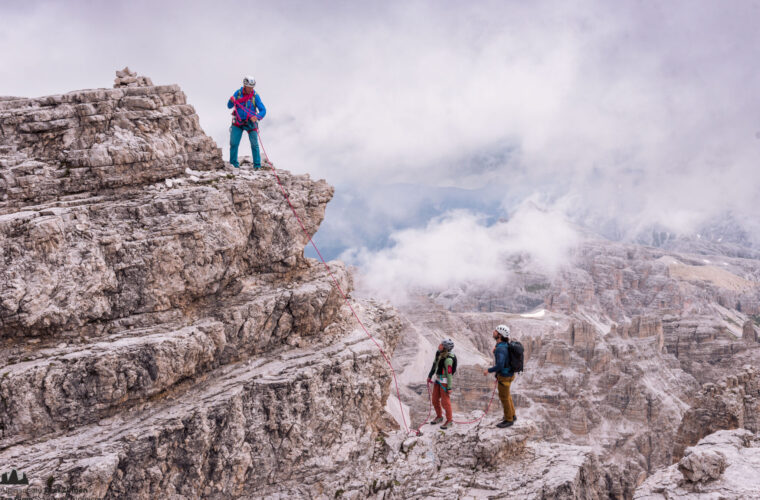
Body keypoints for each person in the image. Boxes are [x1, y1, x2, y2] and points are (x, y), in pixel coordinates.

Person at [227, 75, 266, 169]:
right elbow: (229, 106)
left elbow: (263, 110)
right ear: (245, 85)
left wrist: (257, 117)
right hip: (238, 122)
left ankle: (257, 166)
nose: (250, 89)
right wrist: (231, 100)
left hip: (251, 123)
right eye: (249, 87)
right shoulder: (238, 93)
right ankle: (233, 164)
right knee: (233, 143)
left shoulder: (255, 96)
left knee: (254, 144)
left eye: (252, 87)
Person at [483, 324, 516, 428]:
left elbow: (500, 365)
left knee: (504, 397)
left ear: (500, 335)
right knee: (508, 396)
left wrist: (489, 370)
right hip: (509, 374)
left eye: (496, 331)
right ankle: (512, 415)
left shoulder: (500, 349)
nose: (494, 332)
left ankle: (509, 419)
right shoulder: (503, 345)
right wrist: (496, 349)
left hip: (504, 376)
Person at [427, 338, 456, 429]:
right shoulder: (438, 353)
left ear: (445, 348)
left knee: (445, 402)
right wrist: (430, 376)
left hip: (445, 381)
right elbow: (434, 364)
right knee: (435, 399)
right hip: (438, 379)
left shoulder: (448, 360)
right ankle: (439, 416)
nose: (439, 345)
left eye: (441, 344)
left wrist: (449, 387)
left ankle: (449, 420)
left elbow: (449, 374)